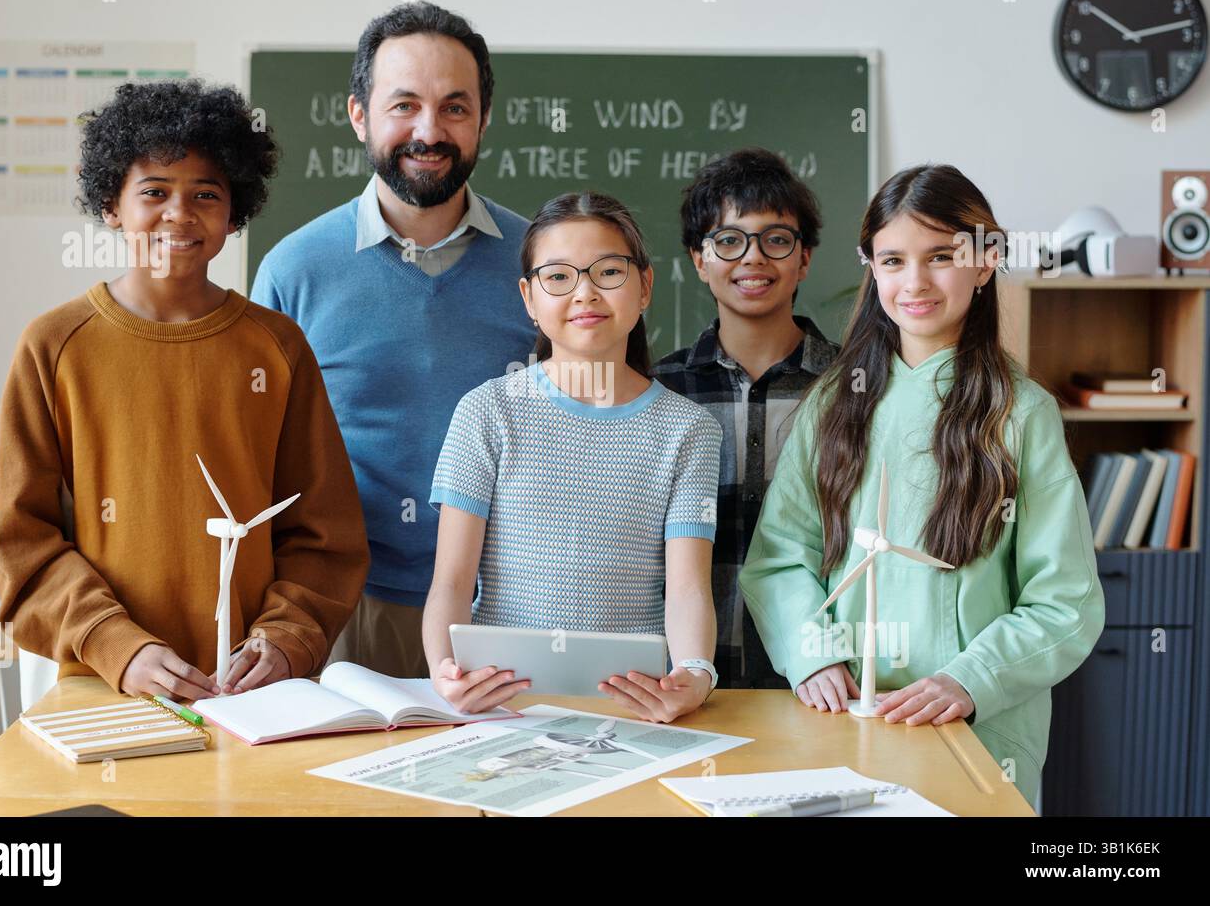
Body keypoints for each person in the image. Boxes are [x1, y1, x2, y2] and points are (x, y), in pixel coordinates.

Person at [738, 163, 1104, 804]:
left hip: (973, 726)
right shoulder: (833, 404)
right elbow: (778, 558)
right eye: (893, 260)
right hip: (846, 715)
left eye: (941, 256)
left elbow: (1065, 601)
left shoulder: (1022, 414)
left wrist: (971, 679)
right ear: (871, 267)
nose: (915, 282)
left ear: (987, 261)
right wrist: (812, 653)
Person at [0, 79, 369, 700]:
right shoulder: (54, 346)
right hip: (104, 684)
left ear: (234, 210)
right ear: (112, 204)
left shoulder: (276, 348)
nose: (179, 213)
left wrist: (285, 637)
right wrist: (118, 644)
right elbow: (23, 542)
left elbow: (323, 532)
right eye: (154, 192)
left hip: (249, 693)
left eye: (205, 194)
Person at [252, 2, 533, 678]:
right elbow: (256, 461)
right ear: (359, 115)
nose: (429, 131)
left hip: (508, 611)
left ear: (484, 120)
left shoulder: (545, 267)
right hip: (344, 611)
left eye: (455, 108)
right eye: (404, 104)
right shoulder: (294, 271)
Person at [422, 191, 723, 723]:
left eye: (608, 272)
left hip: (632, 708)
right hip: (504, 705)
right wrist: (446, 672)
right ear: (529, 298)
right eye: (558, 277)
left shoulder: (688, 429)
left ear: (645, 286)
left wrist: (696, 673)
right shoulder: (487, 412)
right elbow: (450, 581)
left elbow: (688, 587)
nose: (585, 293)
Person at [653, 147, 838, 689]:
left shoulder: (856, 388)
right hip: (685, 680)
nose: (752, 258)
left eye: (776, 240)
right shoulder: (661, 391)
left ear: (804, 259)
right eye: (729, 240)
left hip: (825, 678)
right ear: (698, 259)